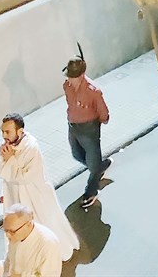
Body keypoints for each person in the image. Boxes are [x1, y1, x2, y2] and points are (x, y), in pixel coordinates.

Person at [0, 114, 79, 261]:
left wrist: (10, 159)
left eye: (7, 132)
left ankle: (51, 254)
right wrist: (5, 159)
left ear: (19, 131)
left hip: (34, 196)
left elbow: (25, 177)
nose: (4, 136)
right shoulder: (7, 145)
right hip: (14, 195)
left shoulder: (31, 147)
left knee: (42, 225)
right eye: (3, 132)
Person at [62, 47, 110, 208]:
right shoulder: (67, 86)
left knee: (93, 162)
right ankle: (100, 167)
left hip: (89, 128)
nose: (70, 79)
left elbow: (103, 112)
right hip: (73, 126)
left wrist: (100, 122)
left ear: (82, 75)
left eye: (73, 77)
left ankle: (91, 191)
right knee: (76, 154)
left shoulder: (93, 91)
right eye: (69, 76)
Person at [0, 205, 61, 277]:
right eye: (5, 230)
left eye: (12, 231)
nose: (8, 235)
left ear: (28, 224)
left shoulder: (48, 244)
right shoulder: (15, 234)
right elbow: (10, 259)